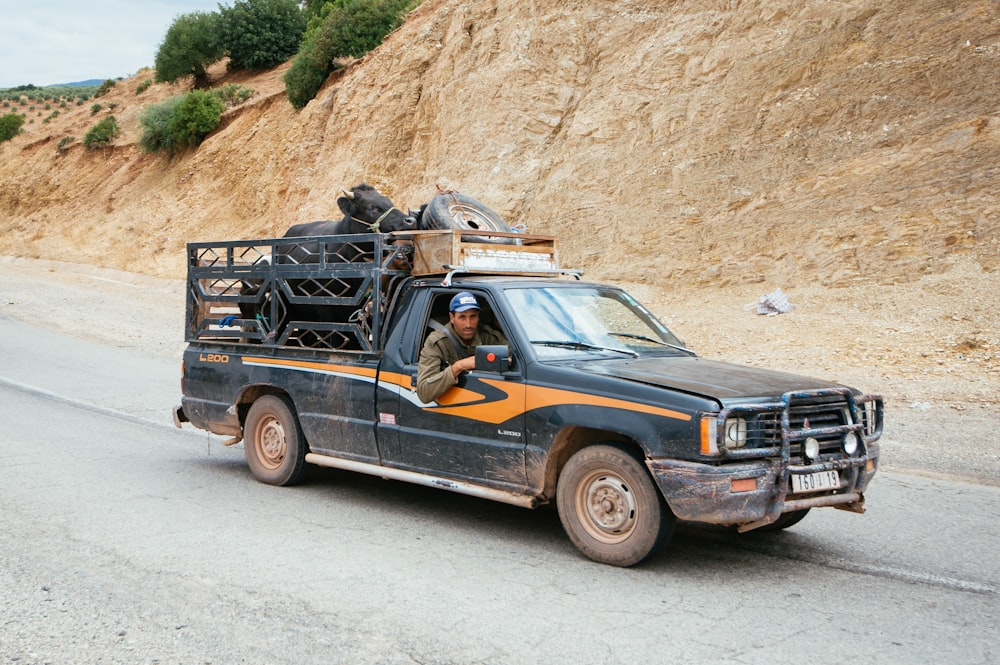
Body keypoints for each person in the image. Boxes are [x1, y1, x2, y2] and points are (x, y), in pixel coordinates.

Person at [416, 291, 508, 403]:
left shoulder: (488, 336)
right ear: (452, 317)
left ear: (478, 317)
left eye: (473, 316)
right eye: (462, 317)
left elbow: (514, 359)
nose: (468, 324)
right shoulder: (437, 342)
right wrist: (458, 367)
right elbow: (424, 393)